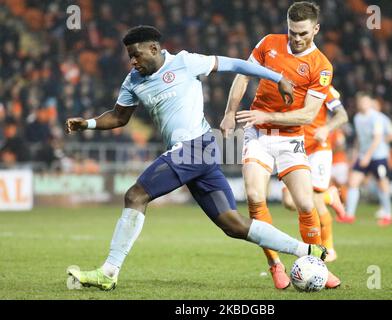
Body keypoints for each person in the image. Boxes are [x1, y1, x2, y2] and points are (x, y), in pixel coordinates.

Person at [65, 25, 327, 291]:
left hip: (195, 147)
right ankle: (307, 249)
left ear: (154, 49)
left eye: (136, 54)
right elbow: (119, 117)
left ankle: (109, 271)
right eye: (130, 56)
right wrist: (87, 124)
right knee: (233, 224)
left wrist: (276, 77)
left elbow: (235, 64)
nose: (133, 61)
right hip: (198, 153)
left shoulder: (186, 62)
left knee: (135, 195)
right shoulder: (133, 80)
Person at [220, 1, 340, 289]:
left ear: (316, 29)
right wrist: (228, 113)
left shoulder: (321, 66)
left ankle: (317, 266)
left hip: (291, 139)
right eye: (292, 32)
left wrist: (267, 114)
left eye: (303, 33)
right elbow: (242, 74)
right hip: (258, 135)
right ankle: (275, 263)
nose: (296, 39)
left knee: (304, 203)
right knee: (253, 196)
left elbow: (309, 114)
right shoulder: (269, 43)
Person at [281, 85, 349, 262]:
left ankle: (329, 249)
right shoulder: (286, 83)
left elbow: (342, 116)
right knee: (289, 202)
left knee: (316, 202)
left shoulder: (323, 86)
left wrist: (327, 129)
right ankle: (330, 196)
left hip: (318, 149)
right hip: (294, 147)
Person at [341, 92, 392, 226]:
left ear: (370, 103)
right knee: (353, 182)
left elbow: (377, 139)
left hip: (378, 156)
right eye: (360, 102)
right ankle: (349, 215)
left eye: (365, 102)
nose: (362, 104)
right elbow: (359, 138)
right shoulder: (358, 117)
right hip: (363, 155)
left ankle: (388, 214)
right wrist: (355, 154)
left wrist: (368, 157)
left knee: (382, 183)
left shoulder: (376, 117)